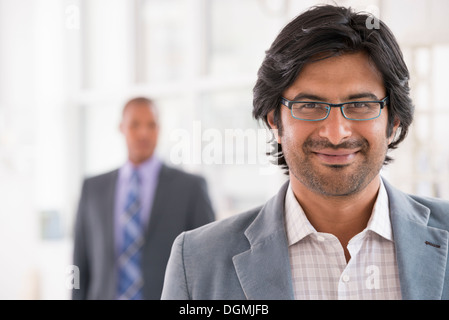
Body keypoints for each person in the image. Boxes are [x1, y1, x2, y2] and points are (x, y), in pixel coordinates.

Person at [161, 5, 449, 300]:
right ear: (274, 119)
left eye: (361, 105)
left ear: (394, 120)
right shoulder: (197, 262)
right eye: (310, 105)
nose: (336, 133)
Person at [72, 97, 215, 300]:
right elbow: (79, 261)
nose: (143, 133)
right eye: (135, 124)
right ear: (121, 128)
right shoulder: (92, 189)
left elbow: (208, 259)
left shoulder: (190, 188)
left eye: (151, 125)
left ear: (160, 129)